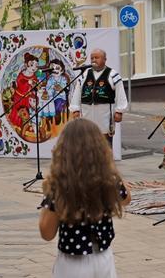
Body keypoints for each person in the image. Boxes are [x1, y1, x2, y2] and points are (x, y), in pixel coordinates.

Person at [38, 118, 132, 277]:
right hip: (104, 259)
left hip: (72, 263)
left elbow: (47, 233)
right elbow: (126, 199)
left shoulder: (60, 185)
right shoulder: (109, 180)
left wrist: (48, 199)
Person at [70, 49, 128, 145]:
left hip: (104, 115)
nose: (94, 60)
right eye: (92, 58)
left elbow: (120, 93)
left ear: (105, 59)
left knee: (105, 144)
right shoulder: (84, 75)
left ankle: (105, 160)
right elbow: (77, 92)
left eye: (97, 57)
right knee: (87, 142)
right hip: (87, 113)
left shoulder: (112, 74)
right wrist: (75, 109)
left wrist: (119, 111)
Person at [9, 52, 39, 131]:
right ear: (26, 64)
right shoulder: (22, 74)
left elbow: (35, 84)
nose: (34, 67)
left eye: (36, 65)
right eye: (32, 65)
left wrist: (34, 84)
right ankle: (17, 123)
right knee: (18, 111)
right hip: (19, 96)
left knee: (26, 112)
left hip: (27, 97)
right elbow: (20, 83)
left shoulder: (34, 75)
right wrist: (28, 82)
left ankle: (26, 124)